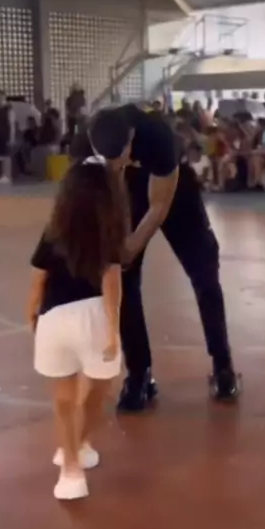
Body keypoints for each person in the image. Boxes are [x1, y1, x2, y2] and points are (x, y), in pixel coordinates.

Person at [84, 103, 240, 413]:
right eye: (109, 159)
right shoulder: (98, 141)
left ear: (131, 138)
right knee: (125, 280)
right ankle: (139, 374)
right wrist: (116, 248)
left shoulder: (157, 137)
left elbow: (159, 207)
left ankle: (222, 365)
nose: (117, 162)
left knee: (205, 273)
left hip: (173, 189)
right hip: (130, 191)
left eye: (121, 156)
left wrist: (131, 246)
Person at [27, 157, 125, 500]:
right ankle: (80, 445)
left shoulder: (53, 231)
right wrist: (113, 329)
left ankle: (70, 469)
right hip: (94, 317)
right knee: (98, 390)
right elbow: (112, 284)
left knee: (63, 398)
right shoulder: (110, 233)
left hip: (54, 318)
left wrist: (31, 313)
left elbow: (39, 278)